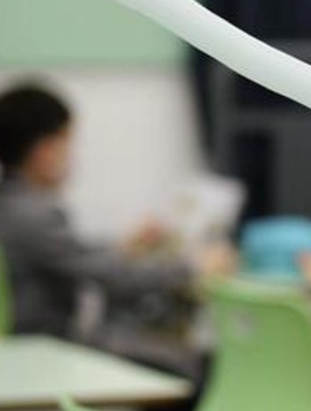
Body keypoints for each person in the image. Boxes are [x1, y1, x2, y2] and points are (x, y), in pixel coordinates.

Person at [0, 82, 233, 340]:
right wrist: (191, 267)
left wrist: (125, 246)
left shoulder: (12, 203)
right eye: (68, 143)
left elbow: (75, 254)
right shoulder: (34, 215)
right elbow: (113, 278)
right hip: (42, 346)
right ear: (46, 151)